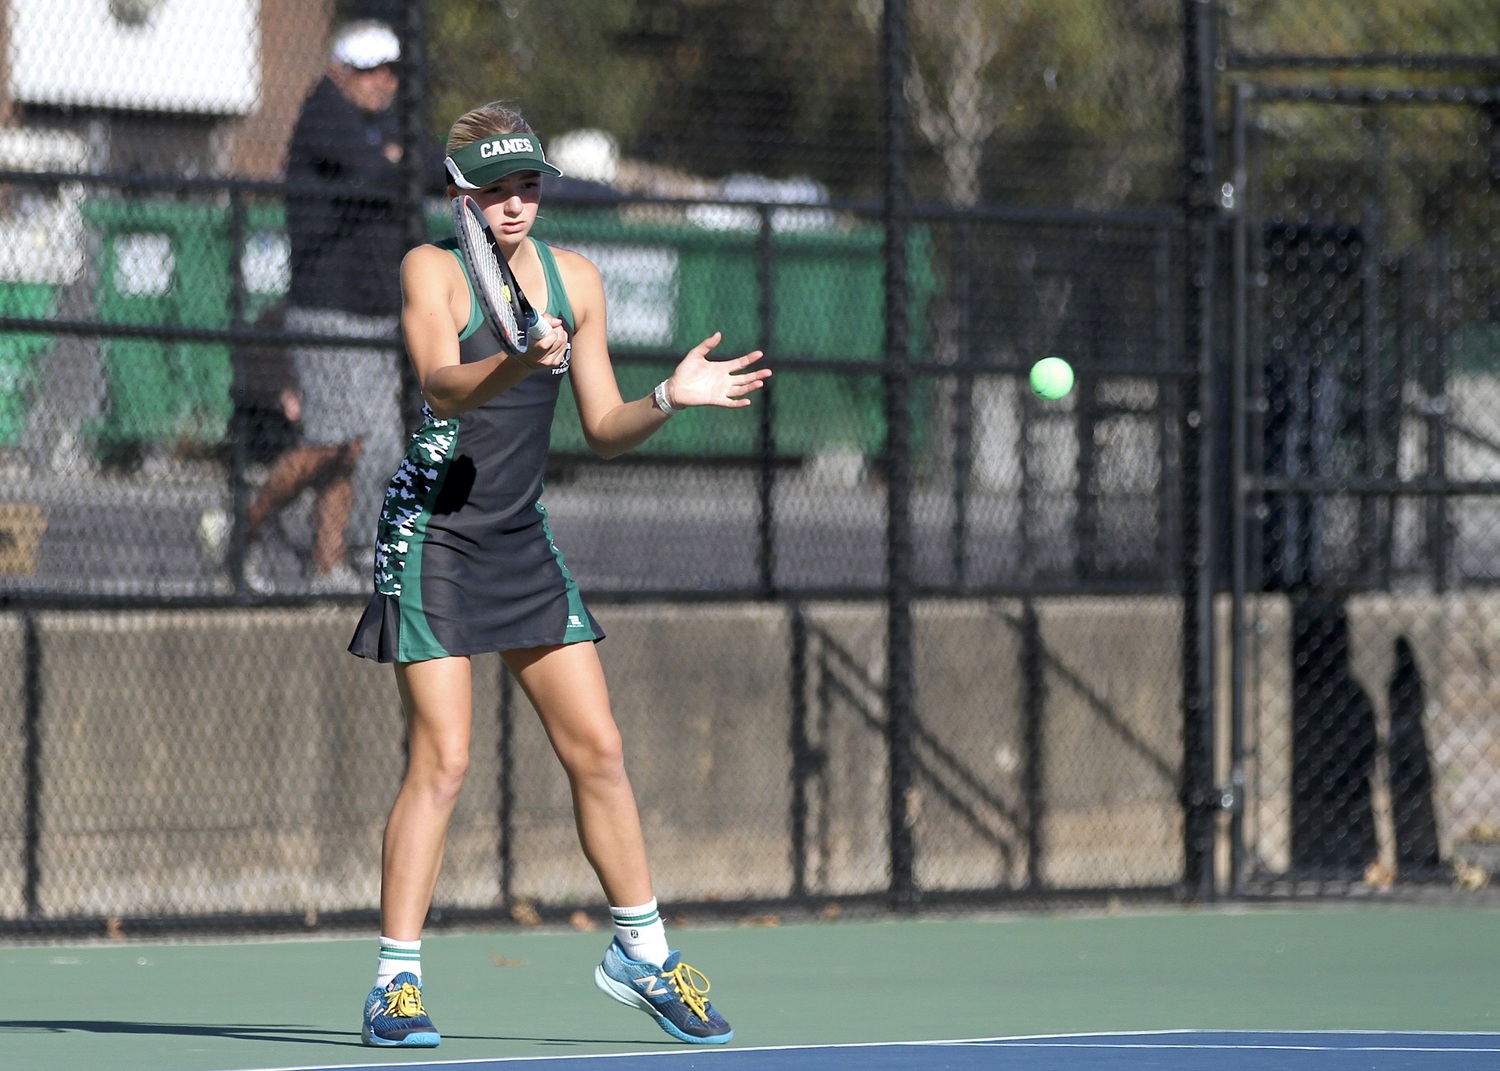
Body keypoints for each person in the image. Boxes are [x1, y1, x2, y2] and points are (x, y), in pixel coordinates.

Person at [345, 102, 770, 1049]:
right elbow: (438, 382)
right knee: (443, 758)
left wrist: (668, 396)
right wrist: (510, 358)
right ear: (462, 193)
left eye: (527, 184)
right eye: (494, 188)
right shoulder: (432, 269)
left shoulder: (576, 279)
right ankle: (396, 983)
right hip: (434, 535)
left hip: (517, 537)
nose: (514, 204)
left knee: (601, 747)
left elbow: (605, 426)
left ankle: (643, 955)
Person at [247, 19, 437, 593]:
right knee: (338, 446)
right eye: (369, 70)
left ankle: (332, 563)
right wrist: (393, 158)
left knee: (366, 447)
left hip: (376, 312)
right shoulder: (324, 113)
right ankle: (243, 526)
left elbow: (425, 165)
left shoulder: (380, 124)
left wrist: (396, 156)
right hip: (329, 311)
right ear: (339, 71)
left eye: (390, 71)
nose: (382, 82)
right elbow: (374, 170)